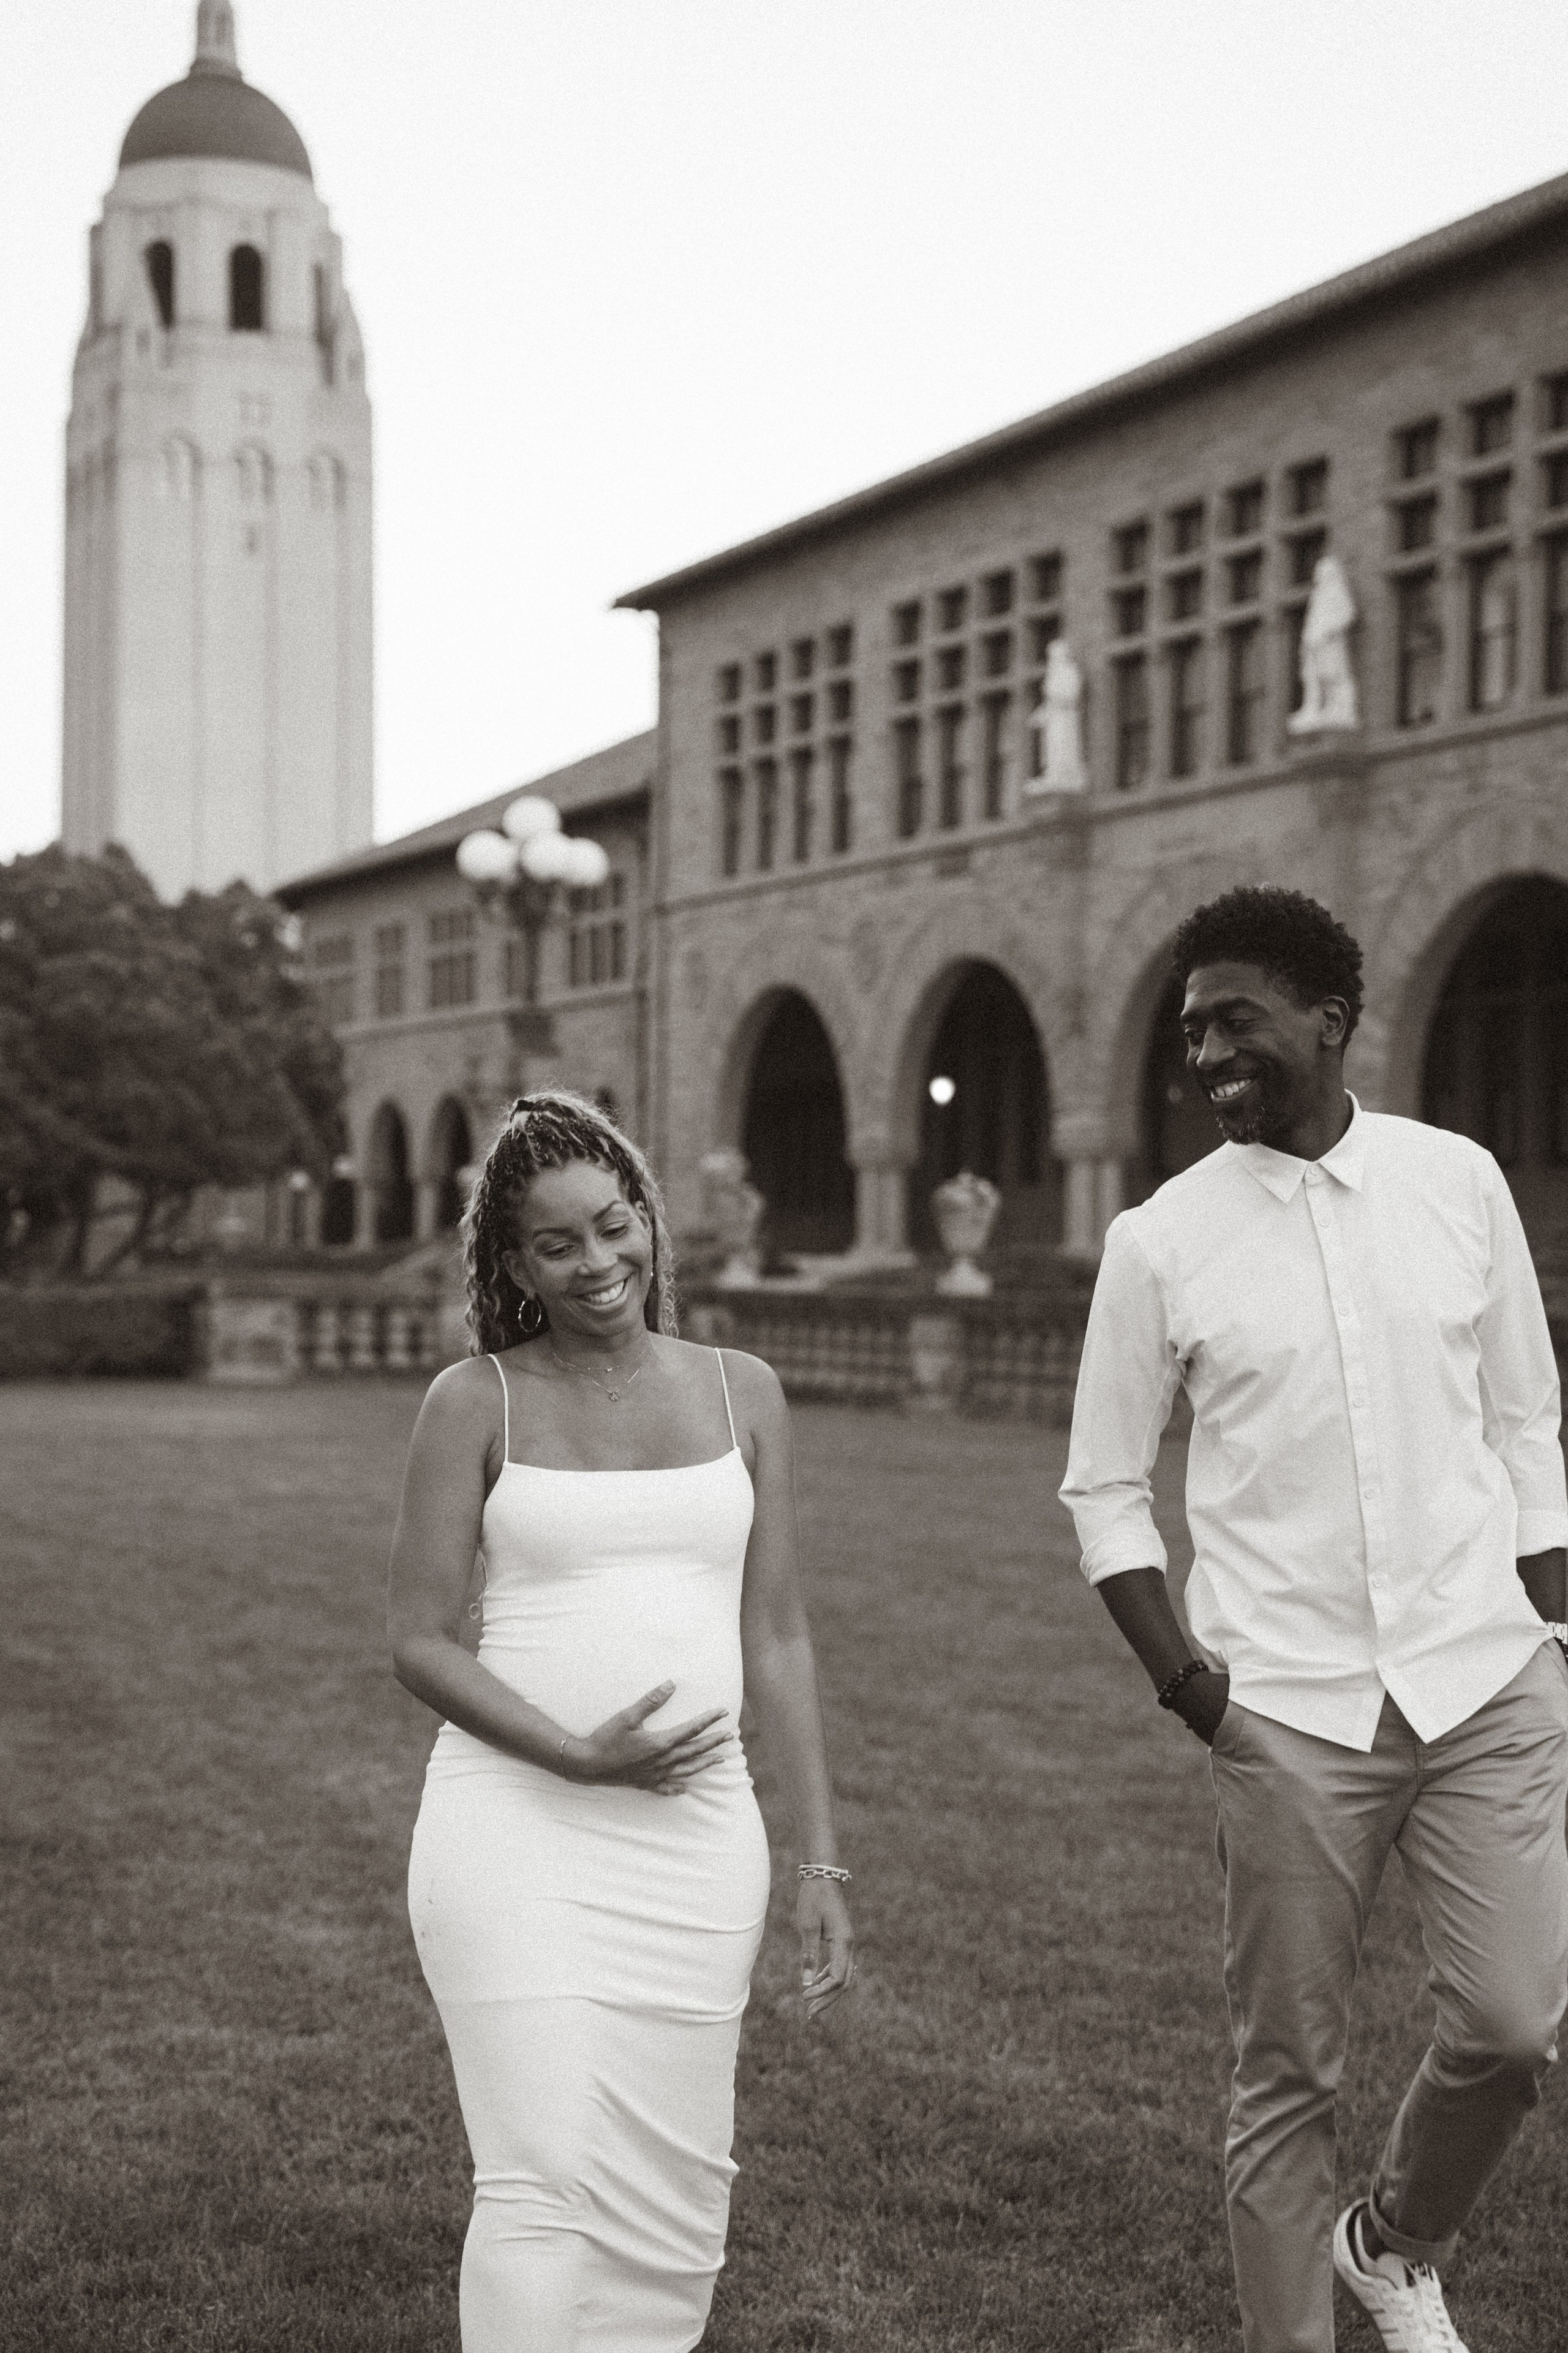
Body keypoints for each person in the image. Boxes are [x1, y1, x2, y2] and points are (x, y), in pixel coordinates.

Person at [1061, 886, 1568, 2353]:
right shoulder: (1159, 1243)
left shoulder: (1454, 1181)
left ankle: (1391, 2245)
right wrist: (1195, 1696)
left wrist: (1550, 1625)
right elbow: (1102, 1489)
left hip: (1485, 1683)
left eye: (1235, 1019)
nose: (1205, 1053)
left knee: (1507, 2027)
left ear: (1329, 1018)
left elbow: (1525, 1421)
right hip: (1283, 1712)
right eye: (1189, 1030)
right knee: (1286, 2070)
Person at [388, 1090, 853, 2353]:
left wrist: (814, 1858)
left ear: (647, 1215)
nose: (596, 1263)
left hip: (696, 1847)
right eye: (556, 1244)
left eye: (611, 1225)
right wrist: (576, 1754)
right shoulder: (471, 1399)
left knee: (672, 2203)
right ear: (515, 1265)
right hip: (511, 1833)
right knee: (538, 2181)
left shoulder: (742, 1391)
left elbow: (778, 1633)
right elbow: (420, 1636)